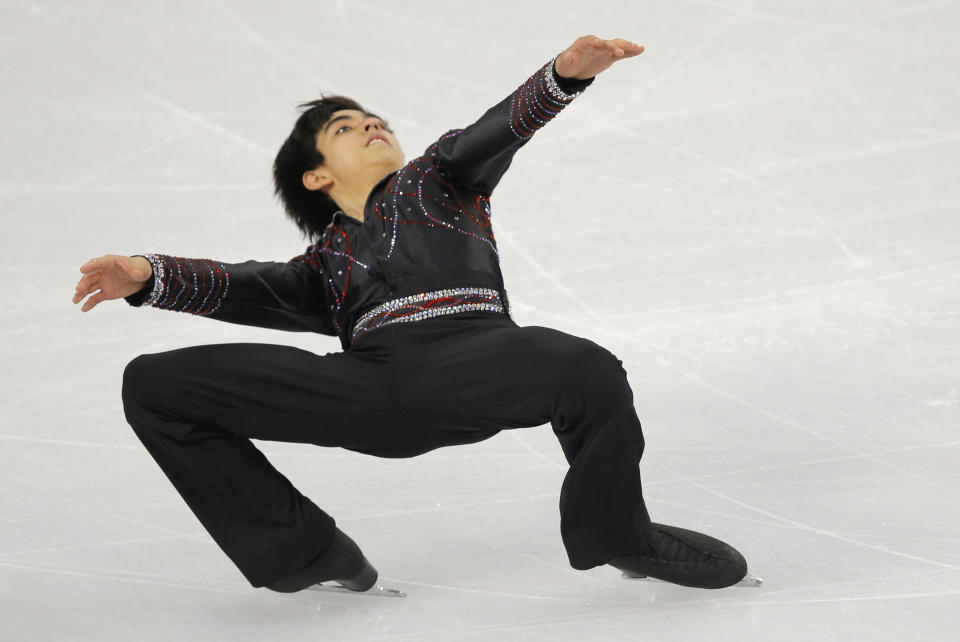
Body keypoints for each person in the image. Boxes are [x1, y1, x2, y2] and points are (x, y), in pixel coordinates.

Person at [73, 35, 752, 594]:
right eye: (346, 127)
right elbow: (247, 285)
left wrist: (561, 80)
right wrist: (147, 275)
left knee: (586, 367)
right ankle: (307, 554)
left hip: (482, 360)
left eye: (376, 121)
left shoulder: (440, 181)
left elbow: (490, 134)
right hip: (372, 388)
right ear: (316, 176)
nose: (372, 125)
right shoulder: (324, 266)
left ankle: (619, 536)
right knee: (154, 386)